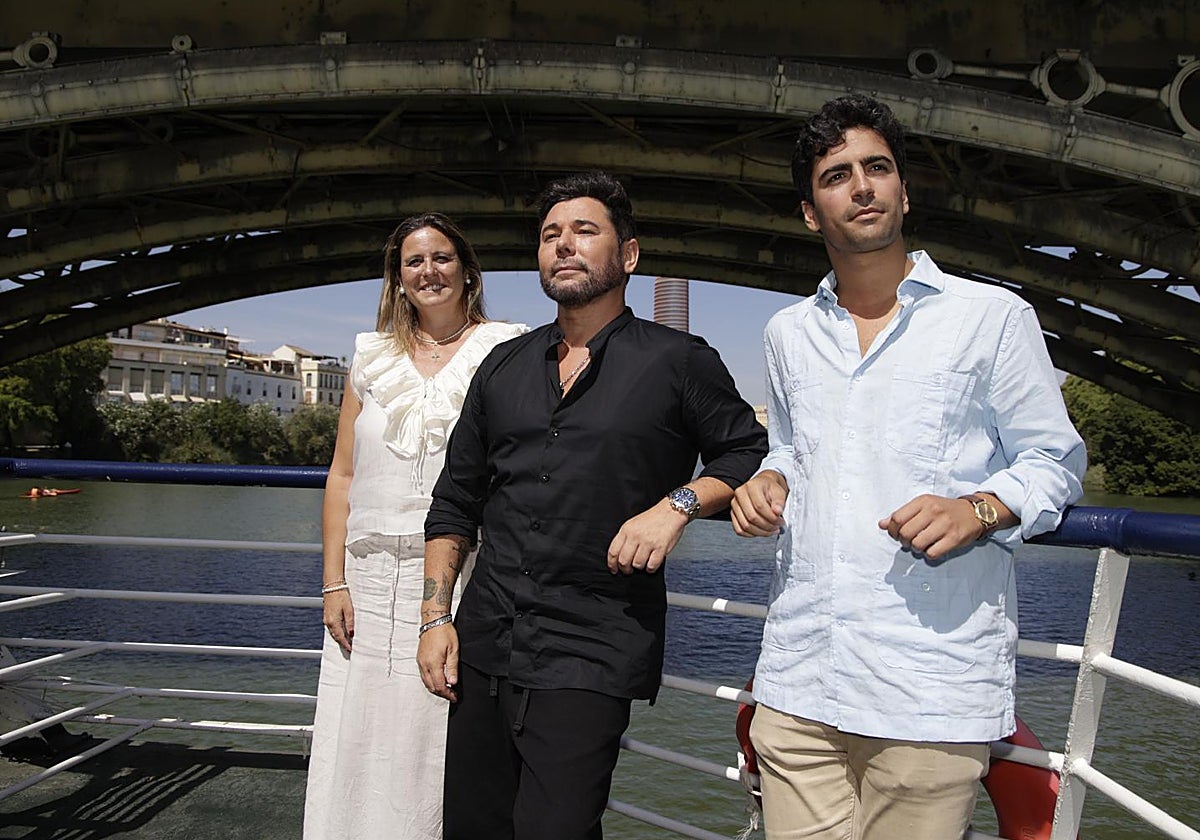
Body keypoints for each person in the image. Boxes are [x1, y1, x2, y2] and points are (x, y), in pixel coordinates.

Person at [731, 95, 1086, 840]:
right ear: (808, 211)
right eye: (837, 175)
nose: (861, 186)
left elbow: (1055, 460)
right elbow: (793, 448)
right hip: (799, 688)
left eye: (878, 168)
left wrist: (979, 509)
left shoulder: (992, 318)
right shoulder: (786, 334)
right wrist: (771, 480)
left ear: (903, 191)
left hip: (926, 692)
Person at [416, 171, 768, 840]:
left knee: (559, 829)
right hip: (485, 640)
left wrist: (679, 504)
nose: (563, 245)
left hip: (592, 647)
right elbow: (454, 502)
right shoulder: (503, 366)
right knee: (473, 827)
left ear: (628, 255)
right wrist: (436, 619)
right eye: (551, 235)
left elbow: (748, 453)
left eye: (585, 231)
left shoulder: (678, 362)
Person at [303, 213, 527, 840]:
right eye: (414, 262)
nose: (429, 271)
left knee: (440, 731)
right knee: (361, 732)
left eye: (442, 258)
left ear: (467, 270)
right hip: (367, 581)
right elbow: (342, 475)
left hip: (459, 574)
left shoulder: (506, 348)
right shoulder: (369, 357)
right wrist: (333, 581)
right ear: (398, 279)